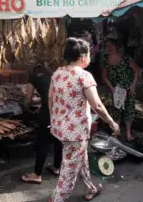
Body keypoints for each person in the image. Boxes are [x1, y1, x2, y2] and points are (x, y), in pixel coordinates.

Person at [49, 38, 120, 202]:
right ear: (82, 57)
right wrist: (112, 123)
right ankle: (56, 198)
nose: (90, 57)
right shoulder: (84, 76)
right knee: (68, 170)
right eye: (89, 54)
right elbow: (98, 106)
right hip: (76, 132)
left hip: (60, 129)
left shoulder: (58, 73)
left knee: (81, 158)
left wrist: (54, 119)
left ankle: (91, 188)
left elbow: (50, 98)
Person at [21, 63, 62, 184]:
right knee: (57, 139)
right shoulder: (52, 75)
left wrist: (25, 109)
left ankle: (36, 174)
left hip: (48, 110)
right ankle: (56, 167)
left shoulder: (33, 77)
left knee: (42, 141)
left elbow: (28, 100)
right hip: (60, 110)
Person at [102, 38, 140, 141]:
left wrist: (133, 86)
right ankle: (117, 132)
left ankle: (128, 133)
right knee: (116, 110)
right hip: (116, 90)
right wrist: (112, 88)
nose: (109, 48)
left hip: (128, 89)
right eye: (107, 46)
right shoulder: (106, 59)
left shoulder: (125, 58)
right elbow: (104, 76)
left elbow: (137, 71)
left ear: (116, 46)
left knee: (129, 110)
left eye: (111, 45)